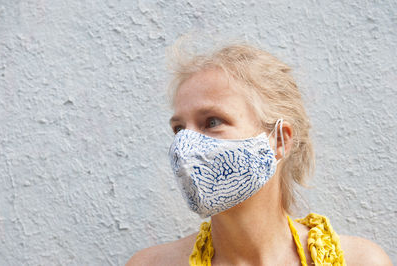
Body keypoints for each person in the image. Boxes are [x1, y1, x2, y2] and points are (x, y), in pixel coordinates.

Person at [127, 42, 392, 266]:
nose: (185, 146)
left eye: (211, 122)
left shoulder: (362, 261)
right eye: (179, 129)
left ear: (279, 141)